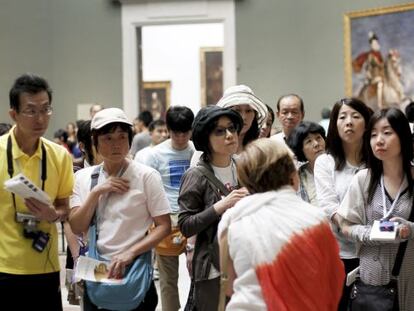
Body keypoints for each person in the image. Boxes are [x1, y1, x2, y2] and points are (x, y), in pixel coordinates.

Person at [218, 139, 344, 310]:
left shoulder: (233, 219)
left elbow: (229, 285)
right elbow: (334, 278)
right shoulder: (315, 219)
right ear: (292, 176)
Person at [69, 107, 171, 311]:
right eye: (107, 138)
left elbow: (164, 226)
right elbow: (77, 225)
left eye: (122, 137)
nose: (116, 144)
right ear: (95, 141)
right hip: (96, 270)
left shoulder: (146, 176)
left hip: (135, 269)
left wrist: (131, 252)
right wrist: (97, 192)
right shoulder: (83, 177)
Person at [0, 73, 74, 310]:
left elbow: (65, 209)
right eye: (31, 111)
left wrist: (53, 214)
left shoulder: (59, 156)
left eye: (45, 109)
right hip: (4, 266)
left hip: (46, 265)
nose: (40, 118)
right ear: (13, 114)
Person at [337, 108, 414, 310]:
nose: (379, 140)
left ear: (403, 136)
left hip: (408, 280)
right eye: (373, 134)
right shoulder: (364, 179)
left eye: (387, 133)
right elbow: (344, 225)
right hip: (372, 284)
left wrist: (410, 229)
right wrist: (372, 233)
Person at [178, 106, 249, 311]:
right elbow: (185, 225)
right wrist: (221, 206)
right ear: (205, 138)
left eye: (232, 128)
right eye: (219, 131)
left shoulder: (243, 167)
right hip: (212, 268)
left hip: (243, 262)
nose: (229, 135)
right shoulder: (196, 175)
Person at [314, 97, 373, 310]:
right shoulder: (325, 161)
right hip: (339, 251)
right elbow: (329, 205)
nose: (349, 122)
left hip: (374, 251)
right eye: (343, 117)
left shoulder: (376, 161)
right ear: (334, 124)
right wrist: (351, 229)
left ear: (366, 124)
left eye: (356, 116)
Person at [138, 105, 195, 311]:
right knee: (168, 280)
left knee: (198, 275)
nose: (181, 138)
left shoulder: (197, 151)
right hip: (167, 219)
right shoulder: (155, 154)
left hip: (194, 218)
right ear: (168, 130)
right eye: (176, 133)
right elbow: (150, 190)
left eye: (186, 132)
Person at [286, 121, 326, 205]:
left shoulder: (338, 166)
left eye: (318, 138)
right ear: (301, 149)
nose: (316, 144)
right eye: (309, 141)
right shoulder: (298, 176)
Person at [352, 32, 385, 109]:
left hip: (380, 76)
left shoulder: (379, 55)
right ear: (371, 44)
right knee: (379, 83)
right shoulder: (369, 55)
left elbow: (382, 66)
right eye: (374, 43)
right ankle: (380, 104)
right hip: (371, 77)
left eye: (376, 43)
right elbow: (366, 67)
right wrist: (368, 74)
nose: (376, 44)